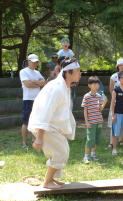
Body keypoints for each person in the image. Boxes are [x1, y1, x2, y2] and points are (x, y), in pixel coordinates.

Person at [28, 58, 81, 189]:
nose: (80, 74)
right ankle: (47, 182)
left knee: (63, 150)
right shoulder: (57, 88)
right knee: (60, 152)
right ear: (69, 73)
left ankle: (51, 178)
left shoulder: (64, 87)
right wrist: (39, 138)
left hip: (52, 126)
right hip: (45, 126)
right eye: (78, 71)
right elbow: (44, 112)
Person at [19, 54, 46, 149]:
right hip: (28, 100)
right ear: (28, 61)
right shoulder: (23, 71)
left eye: (36, 62)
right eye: (33, 61)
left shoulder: (37, 72)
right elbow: (27, 84)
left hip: (37, 100)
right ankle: (24, 143)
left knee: (36, 121)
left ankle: (34, 140)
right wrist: (38, 83)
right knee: (26, 122)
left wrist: (34, 82)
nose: (35, 63)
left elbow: (44, 82)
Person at [82, 76, 107, 164]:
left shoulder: (99, 96)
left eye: (97, 84)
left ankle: (93, 154)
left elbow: (100, 109)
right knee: (90, 139)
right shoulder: (86, 96)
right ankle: (86, 156)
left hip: (99, 121)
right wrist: (86, 122)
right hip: (91, 122)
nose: (96, 85)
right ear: (89, 85)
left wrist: (104, 103)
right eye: (94, 84)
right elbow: (85, 110)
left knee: (96, 139)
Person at [107, 58, 123, 149]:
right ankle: (111, 142)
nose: (122, 67)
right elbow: (111, 89)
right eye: (120, 65)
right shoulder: (113, 76)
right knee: (114, 121)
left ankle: (120, 140)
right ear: (117, 66)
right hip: (116, 102)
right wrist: (114, 100)